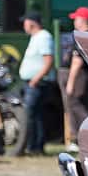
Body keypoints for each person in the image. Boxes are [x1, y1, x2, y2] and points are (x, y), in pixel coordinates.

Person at [16, 12, 56, 156]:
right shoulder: (36, 38)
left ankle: (34, 147)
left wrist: (36, 79)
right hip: (33, 82)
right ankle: (34, 147)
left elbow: (49, 61)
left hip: (38, 83)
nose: (23, 25)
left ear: (32, 22)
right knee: (35, 115)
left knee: (31, 114)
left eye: (25, 22)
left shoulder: (44, 37)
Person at [61, 6, 88, 149]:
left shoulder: (82, 38)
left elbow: (77, 61)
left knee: (76, 105)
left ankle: (82, 139)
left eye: (76, 18)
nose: (74, 22)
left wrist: (70, 84)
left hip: (81, 77)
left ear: (82, 20)